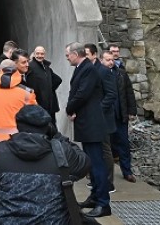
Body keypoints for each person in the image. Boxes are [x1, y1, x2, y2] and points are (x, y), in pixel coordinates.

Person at [0, 105, 91, 225]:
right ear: (47, 127)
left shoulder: (1, 152)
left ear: (17, 125)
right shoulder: (62, 153)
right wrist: (59, 138)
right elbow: (84, 164)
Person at [65, 42, 111, 218]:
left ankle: (103, 203)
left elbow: (82, 93)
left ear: (76, 54)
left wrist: (70, 108)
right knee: (92, 163)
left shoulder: (88, 70)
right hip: (87, 122)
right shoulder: (82, 68)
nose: (67, 58)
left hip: (91, 123)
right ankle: (95, 196)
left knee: (97, 163)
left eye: (68, 55)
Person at [0, 59, 37, 156]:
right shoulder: (27, 93)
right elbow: (34, 121)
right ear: (16, 70)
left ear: (0, 71)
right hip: (19, 147)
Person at [85, 43, 117, 193]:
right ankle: (96, 180)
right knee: (94, 149)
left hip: (103, 118)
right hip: (92, 118)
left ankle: (109, 182)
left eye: (86, 54)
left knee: (105, 149)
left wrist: (97, 110)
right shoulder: (88, 70)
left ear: (94, 55)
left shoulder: (103, 71)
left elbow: (111, 94)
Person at [105, 50, 138, 183]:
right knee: (108, 146)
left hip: (120, 114)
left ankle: (127, 171)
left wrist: (132, 111)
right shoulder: (99, 74)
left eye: (112, 59)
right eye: (108, 59)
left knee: (123, 143)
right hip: (106, 116)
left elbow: (129, 93)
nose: (111, 62)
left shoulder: (121, 74)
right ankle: (106, 174)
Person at [29, 46, 62, 126]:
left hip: (49, 105)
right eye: (38, 53)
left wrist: (49, 89)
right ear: (34, 54)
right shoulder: (31, 67)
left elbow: (58, 80)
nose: (40, 56)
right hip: (39, 104)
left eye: (42, 54)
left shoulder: (45, 66)